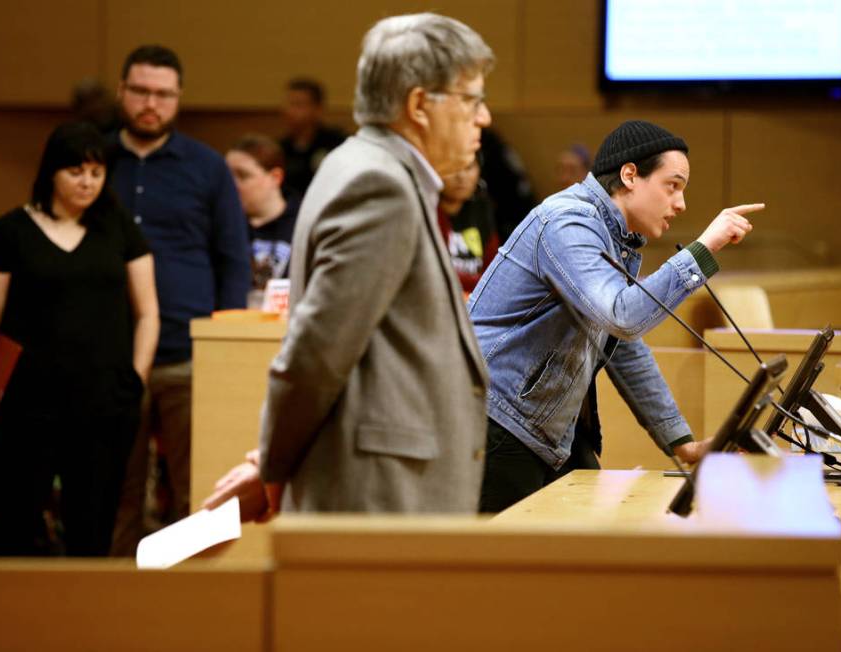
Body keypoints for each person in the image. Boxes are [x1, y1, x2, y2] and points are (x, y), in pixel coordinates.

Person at [204, 13, 494, 517]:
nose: (484, 117)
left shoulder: (365, 166)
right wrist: (271, 467)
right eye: (471, 99)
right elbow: (316, 354)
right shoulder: (380, 186)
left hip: (385, 486)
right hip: (380, 497)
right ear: (419, 105)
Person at [470, 120, 764, 513]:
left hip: (544, 430)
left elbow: (623, 345)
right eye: (672, 186)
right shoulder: (567, 222)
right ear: (629, 176)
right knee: (504, 569)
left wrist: (680, 442)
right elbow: (622, 317)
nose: (681, 204)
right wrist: (703, 249)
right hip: (498, 420)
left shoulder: (610, 236)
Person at [0, 122, 159, 555]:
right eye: (75, 172)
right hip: (28, 404)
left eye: (96, 173)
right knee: (15, 524)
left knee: (93, 526)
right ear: (51, 172)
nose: (87, 183)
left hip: (103, 402)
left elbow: (148, 312)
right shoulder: (11, 230)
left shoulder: (118, 228)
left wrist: (135, 377)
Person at [109, 45, 250, 555]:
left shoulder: (207, 167)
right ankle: (115, 589)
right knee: (116, 488)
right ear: (122, 92)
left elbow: (233, 259)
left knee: (199, 488)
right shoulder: (95, 161)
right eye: (142, 91)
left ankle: (190, 591)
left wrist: (225, 343)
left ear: (178, 98)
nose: (152, 103)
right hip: (111, 355)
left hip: (191, 353)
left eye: (163, 94)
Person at [225, 134, 300, 303]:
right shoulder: (221, 224)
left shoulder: (304, 223)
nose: (231, 185)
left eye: (243, 176)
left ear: (275, 178)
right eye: (227, 177)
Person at [437, 157, 499, 293]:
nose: (461, 177)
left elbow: (494, 271)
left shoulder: (482, 209)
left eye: (468, 167)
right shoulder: (427, 211)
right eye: (452, 168)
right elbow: (434, 274)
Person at [279, 78, 347, 195]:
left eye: (298, 105)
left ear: (318, 109)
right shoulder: (281, 148)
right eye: (289, 104)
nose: (290, 111)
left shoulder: (337, 144)